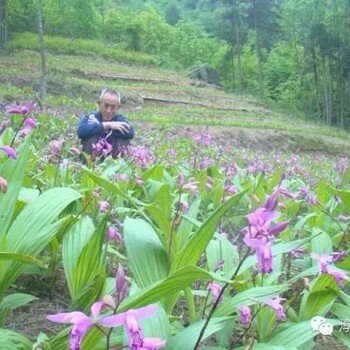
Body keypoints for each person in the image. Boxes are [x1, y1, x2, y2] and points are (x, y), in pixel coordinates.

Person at [77, 88, 134, 160]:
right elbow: (81, 131)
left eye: (113, 107)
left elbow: (130, 133)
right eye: (106, 105)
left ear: (118, 107)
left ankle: (119, 167)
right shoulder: (91, 117)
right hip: (93, 159)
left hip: (113, 159)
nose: (108, 111)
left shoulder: (120, 119)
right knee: (90, 136)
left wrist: (103, 129)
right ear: (99, 104)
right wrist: (106, 125)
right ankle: (88, 165)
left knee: (123, 140)